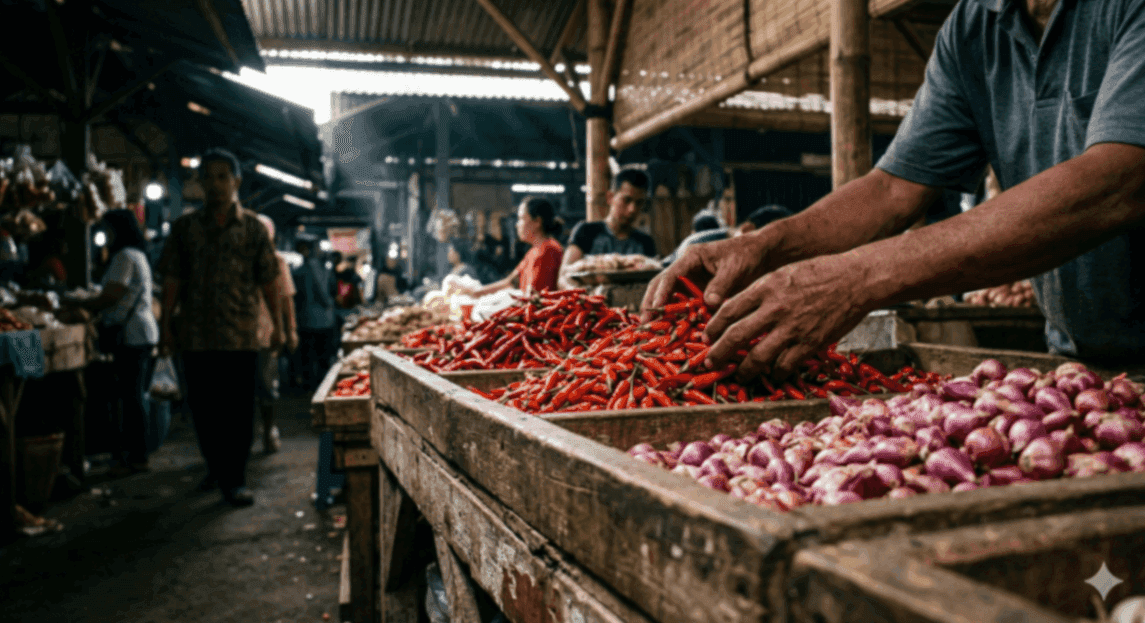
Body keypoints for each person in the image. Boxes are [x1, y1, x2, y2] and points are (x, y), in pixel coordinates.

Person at [644, 0, 1145, 382]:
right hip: (1081, 364)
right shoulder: (975, 26)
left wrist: (858, 278)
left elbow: (1118, 180)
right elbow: (891, 190)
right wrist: (764, 246)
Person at [158, 148, 283, 507]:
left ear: (236, 182)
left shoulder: (254, 228)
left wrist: (278, 326)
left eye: (221, 177)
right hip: (195, 335)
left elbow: (269, 281)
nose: (214, 185)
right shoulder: (184, 229)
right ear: (199, 184)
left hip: (241, 334)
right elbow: (172, 279)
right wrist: (165, 327)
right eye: (207, 177)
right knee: (204, 409)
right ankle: (216, 466)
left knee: (238, 410)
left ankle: (236, 478)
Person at [73, 209, 158, 474]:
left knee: (130, 397)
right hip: (140, 333)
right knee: (133, 396)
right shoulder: (137, 255)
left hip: (131, 334)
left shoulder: (124, 256)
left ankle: (136, 456)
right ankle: (132, 454)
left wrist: (81, 302)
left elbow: (112, 295)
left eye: (107, 229)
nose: (104, 235)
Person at [254, 213, 298, 454]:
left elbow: (286, 298)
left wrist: (289, 330)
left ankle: (269, 429)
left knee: (266, 386)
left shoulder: (276, 261)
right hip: (239, 334)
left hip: (265, 333)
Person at [561, 169, 655, 273]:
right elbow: (564, 276)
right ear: (610, 197)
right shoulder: (586, 232)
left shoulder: (646, 243)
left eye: (639, 202)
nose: (632, 209)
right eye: (626, 200)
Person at [468, 197, 564, 297]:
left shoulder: (548, 250)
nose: (517, 225)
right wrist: (475, 293)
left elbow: (535, 298)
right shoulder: (534, 251)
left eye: (521, 219)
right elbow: (509, 282)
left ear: (537, 221)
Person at [292, 235, 336, 391]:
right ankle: (322, 386)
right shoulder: (323, 269)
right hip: (322, 321)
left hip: (306, 321)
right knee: (322, 358)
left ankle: (309, 386)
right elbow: (330, 292)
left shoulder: (298, 271)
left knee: (308, 359)